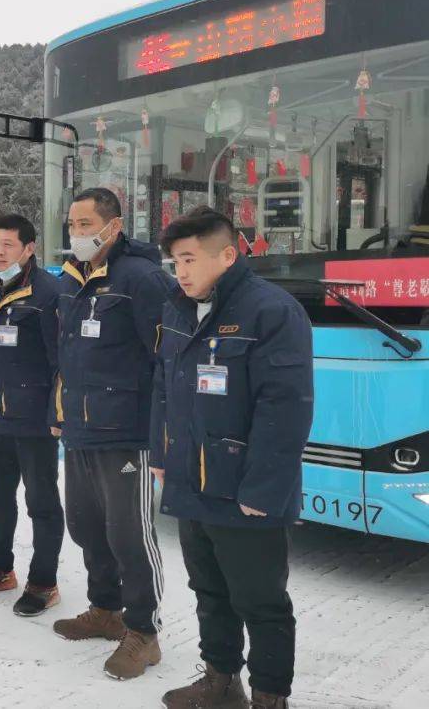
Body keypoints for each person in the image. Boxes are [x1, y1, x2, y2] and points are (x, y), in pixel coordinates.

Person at [150, 207, 313, 709]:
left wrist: (263, 490)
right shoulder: (178, 308)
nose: (181, 271)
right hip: (192, 482)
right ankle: (221, 680)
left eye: (189, 259)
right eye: (175, 261)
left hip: (246, 491)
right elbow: (164, 387)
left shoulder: (272, 311)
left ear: (227, 254)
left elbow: (285, 409)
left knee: (261, 602)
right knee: (209, 592)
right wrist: (161, 453)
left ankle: (269, 696)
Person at [49, 188, 173, 680]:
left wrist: (162, 432)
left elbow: (166, 362)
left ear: (113, 227)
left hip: (126, 432)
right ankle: (106, 609)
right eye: (72, 224)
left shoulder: (141, 279)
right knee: (84, 525)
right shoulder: (72, 279)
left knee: (130, 534)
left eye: (85, 224)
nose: (76, 233)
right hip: (80, 429)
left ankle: (144, 632)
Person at [0, 213, 64, 617]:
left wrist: (59, 412)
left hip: (36, 419)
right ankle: (0, 569)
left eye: (7, 244)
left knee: (41, 502)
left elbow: (61, 360)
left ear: (29, 248)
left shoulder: (48, 293)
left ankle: (44, 581)